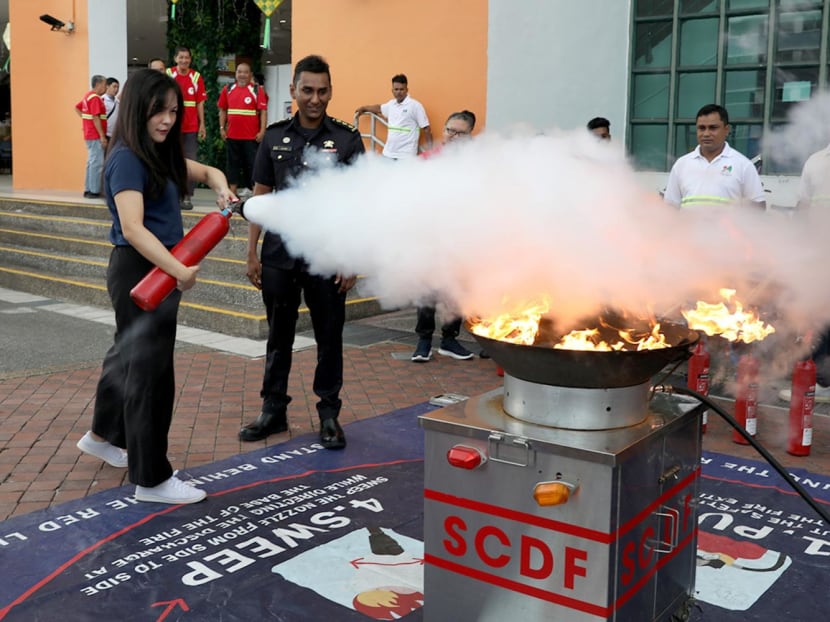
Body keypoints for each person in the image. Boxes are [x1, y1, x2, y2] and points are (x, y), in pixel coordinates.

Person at [75, 69, 236, 504]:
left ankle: (103, 436)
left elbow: (207, 171)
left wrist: (221, 185)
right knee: (151, 374)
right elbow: (133, 228)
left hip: (155, 267)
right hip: (144, 268)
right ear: (136, 109)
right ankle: (151, 480)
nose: (167, 120)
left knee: (127, 356)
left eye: (173, 111)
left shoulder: (156, 152)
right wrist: (179, 271)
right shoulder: (127, 158)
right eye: (158, 111)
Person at [241, 54, 364, 448]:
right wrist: (252, 252)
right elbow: (260, 197)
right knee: (278, 337)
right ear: (293, 90)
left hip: (326, 255)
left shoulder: (347, 139)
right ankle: (273, 410)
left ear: (331, 92)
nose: (315, 98)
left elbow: (357, 205)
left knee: (329, 337)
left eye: (322, 91)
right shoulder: (273, 137)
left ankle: (329, 414)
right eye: (307, 90)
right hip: (279, 255)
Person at [412, 110, 477, 362]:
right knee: (427, 289)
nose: (453, 136)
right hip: (429, 236)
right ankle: (424, 341)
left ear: (470, 136)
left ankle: (449, 339)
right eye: (450, 130)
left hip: (462, 237)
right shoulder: (426, 160)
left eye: (461, 133)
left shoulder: (475, 165)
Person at [779, 146, 830, 402]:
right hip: (820, 253)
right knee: (819, 316)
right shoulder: (816, 161)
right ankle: (822, 380)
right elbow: (804, 206)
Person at [663, 104, 766, 210]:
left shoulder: (743, 165)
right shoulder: (681, 164)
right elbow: (670, 207)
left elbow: (758, 208)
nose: (706, 134)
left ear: (727, 130)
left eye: (713, 128)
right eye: (701, 128)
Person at [217, 61, 268, 196]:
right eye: (239, 72)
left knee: (252, 165)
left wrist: (262, 131)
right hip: (232, 136)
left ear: (250, 74)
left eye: (245, 72)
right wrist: (222, 128)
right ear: (236, 74)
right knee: (232, 165)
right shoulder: (228, 89)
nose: (242, 75)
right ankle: (232, 193)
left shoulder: (257, 90)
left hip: (251, 137)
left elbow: (263, 111)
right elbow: (223, 110)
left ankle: (255, 192)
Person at [166, 46, 207, 210]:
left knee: (190, 162)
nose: (184, 60)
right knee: (170, 160)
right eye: (181, 57)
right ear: (175, 58)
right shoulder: (168, 75)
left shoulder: (196, 77)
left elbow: (200, 103)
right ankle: (171, 194)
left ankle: (187, 196)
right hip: (171, 127)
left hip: (191, 127)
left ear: (190, 59)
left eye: (187, 58)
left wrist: (202, 124)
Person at [355, 74, 432, 159]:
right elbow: (379, 108)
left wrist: (431, 151)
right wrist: (364, 108)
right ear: (392, 90)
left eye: (401, 89)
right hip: (388, 153)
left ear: (407, 90)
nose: (399, 92)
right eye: (396, 89)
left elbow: (426, 129)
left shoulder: (415, 106)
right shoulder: (391, 105)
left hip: (406, 156)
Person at [74, 75, 108, 199]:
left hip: (89, 133)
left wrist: (86, 121)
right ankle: (94, 190)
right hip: (95, 135)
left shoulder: (87, 96)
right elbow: (96, 117)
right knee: (97, 163)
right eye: (104, 85)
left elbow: (77, 108)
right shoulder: (95, 98)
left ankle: (88, 189)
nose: (106, 87)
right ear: (98, 84)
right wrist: (102, 136)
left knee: (91, 162)